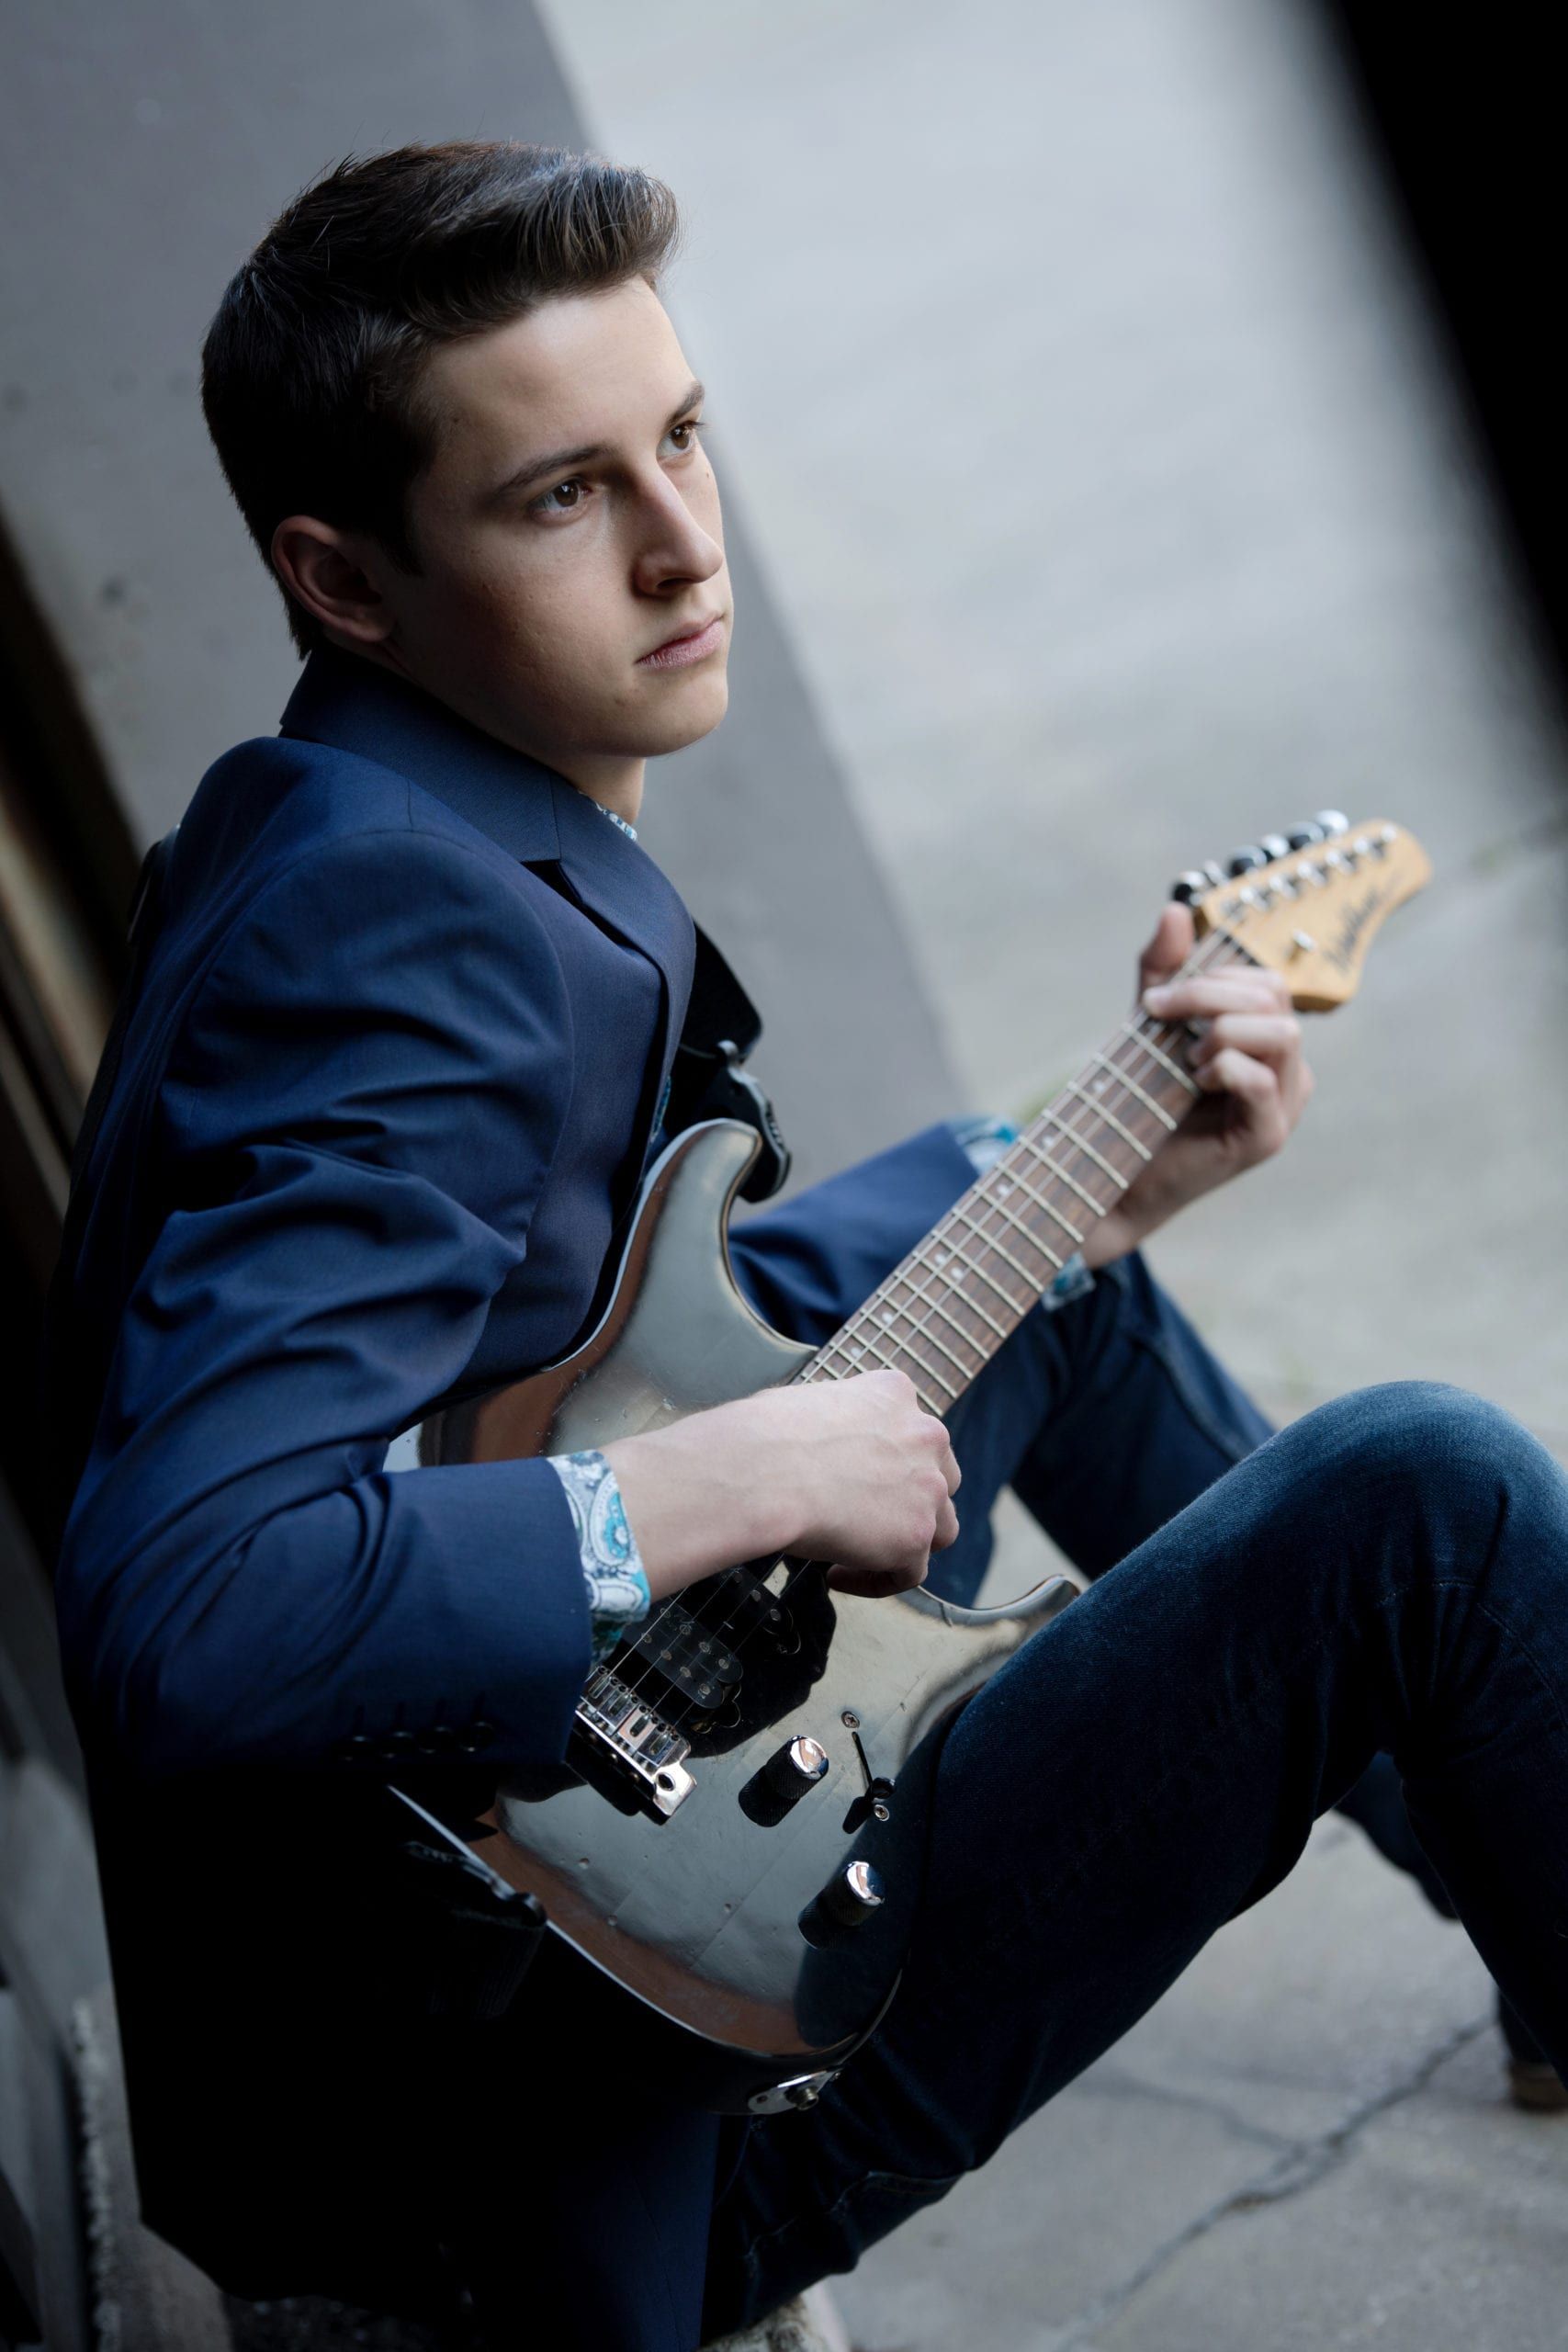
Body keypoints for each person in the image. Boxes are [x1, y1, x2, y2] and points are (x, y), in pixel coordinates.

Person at [42, 142, 1568, 2352]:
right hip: (577, 2123)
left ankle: (1524, 1842)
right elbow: (187, 1605)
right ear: (343, 578)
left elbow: (524, 1349)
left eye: (677, 436)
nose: (683, 543)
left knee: (1010, 1204)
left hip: (512, 1899)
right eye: (562, 496)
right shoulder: (395, 943)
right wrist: (738, 1475)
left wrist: (1101, 1184)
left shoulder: (350, 810)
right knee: (1424, 1496)